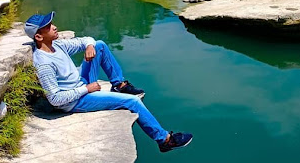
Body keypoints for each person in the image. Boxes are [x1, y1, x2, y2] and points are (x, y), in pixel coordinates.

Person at [24, 11, 192, 153]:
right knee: (132, 101)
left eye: (52, 23)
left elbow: (85, 40)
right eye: (48, 27)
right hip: (74, 101)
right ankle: (164, 140)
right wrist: (86, 89)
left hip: (80, 83)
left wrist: (89, 45)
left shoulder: (58, 45)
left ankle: (119, 85)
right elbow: (55, 99)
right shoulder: (44, 63)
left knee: (100, 45)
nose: (54, 27)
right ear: (39, 36)